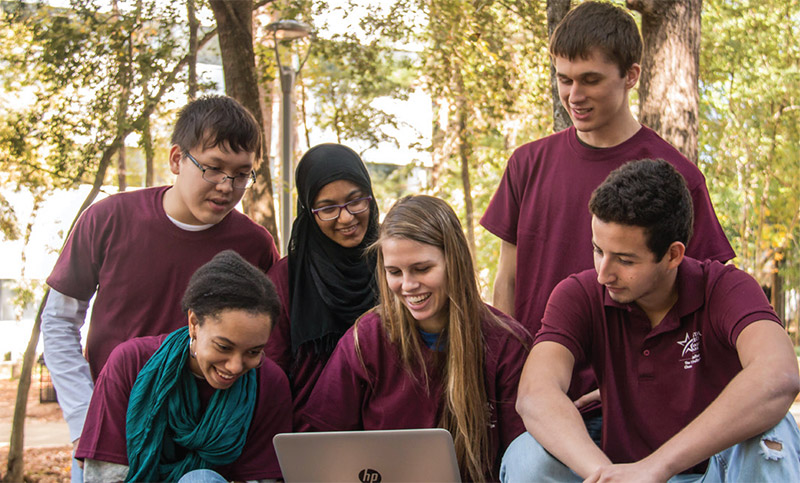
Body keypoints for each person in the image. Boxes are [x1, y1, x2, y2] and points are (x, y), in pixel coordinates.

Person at [480, 0, 734, 427]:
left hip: (632, 403)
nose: (573, 96)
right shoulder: (527, 164)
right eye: (564, 80)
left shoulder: (678, 178)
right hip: (538, 395)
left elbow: (704, 299)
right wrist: (508, 374)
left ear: (631, 75)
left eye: (591, 80)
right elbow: (506, 281)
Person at [501, 159, 800, 482]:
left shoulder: (726, 288)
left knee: (774, 434)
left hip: (713, 473)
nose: (604, 273)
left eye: (625, 260)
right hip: (616, 473)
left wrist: (658, 467)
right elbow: (535, 393)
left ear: (673, 255)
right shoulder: (579, 295)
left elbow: (779, 375)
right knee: (526, 455)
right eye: (598, 250)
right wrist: (603, 474)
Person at [41, 95, 280, 480]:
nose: (227, 186)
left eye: (241, 173)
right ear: (176, 159)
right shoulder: (108, 219)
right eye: (213, 168)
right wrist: (83, 416)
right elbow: (57, 322)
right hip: (112, 429)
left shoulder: (255, 245)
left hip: (205, 438)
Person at [304, 195, 531, 481]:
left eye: (422, 269)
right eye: (394, 272)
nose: (408, 285)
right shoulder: (367, 338)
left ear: (455, 261)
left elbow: (523, 458)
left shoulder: (508, 345)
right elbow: (320, 441)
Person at [75, 250, 291, 482]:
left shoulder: (269, 383)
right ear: (194, 323)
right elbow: (105, 474)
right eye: (223, 347)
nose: (236, 366)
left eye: (253, 352)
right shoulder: (131, 363)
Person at [263, 143, 380, 429]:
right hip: (310, 435)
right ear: (309, 210)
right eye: (328, 208)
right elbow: (271, 371)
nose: (346, 217)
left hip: (386, 429)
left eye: (356, 201)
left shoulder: (393, 263)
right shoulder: (286, 278)